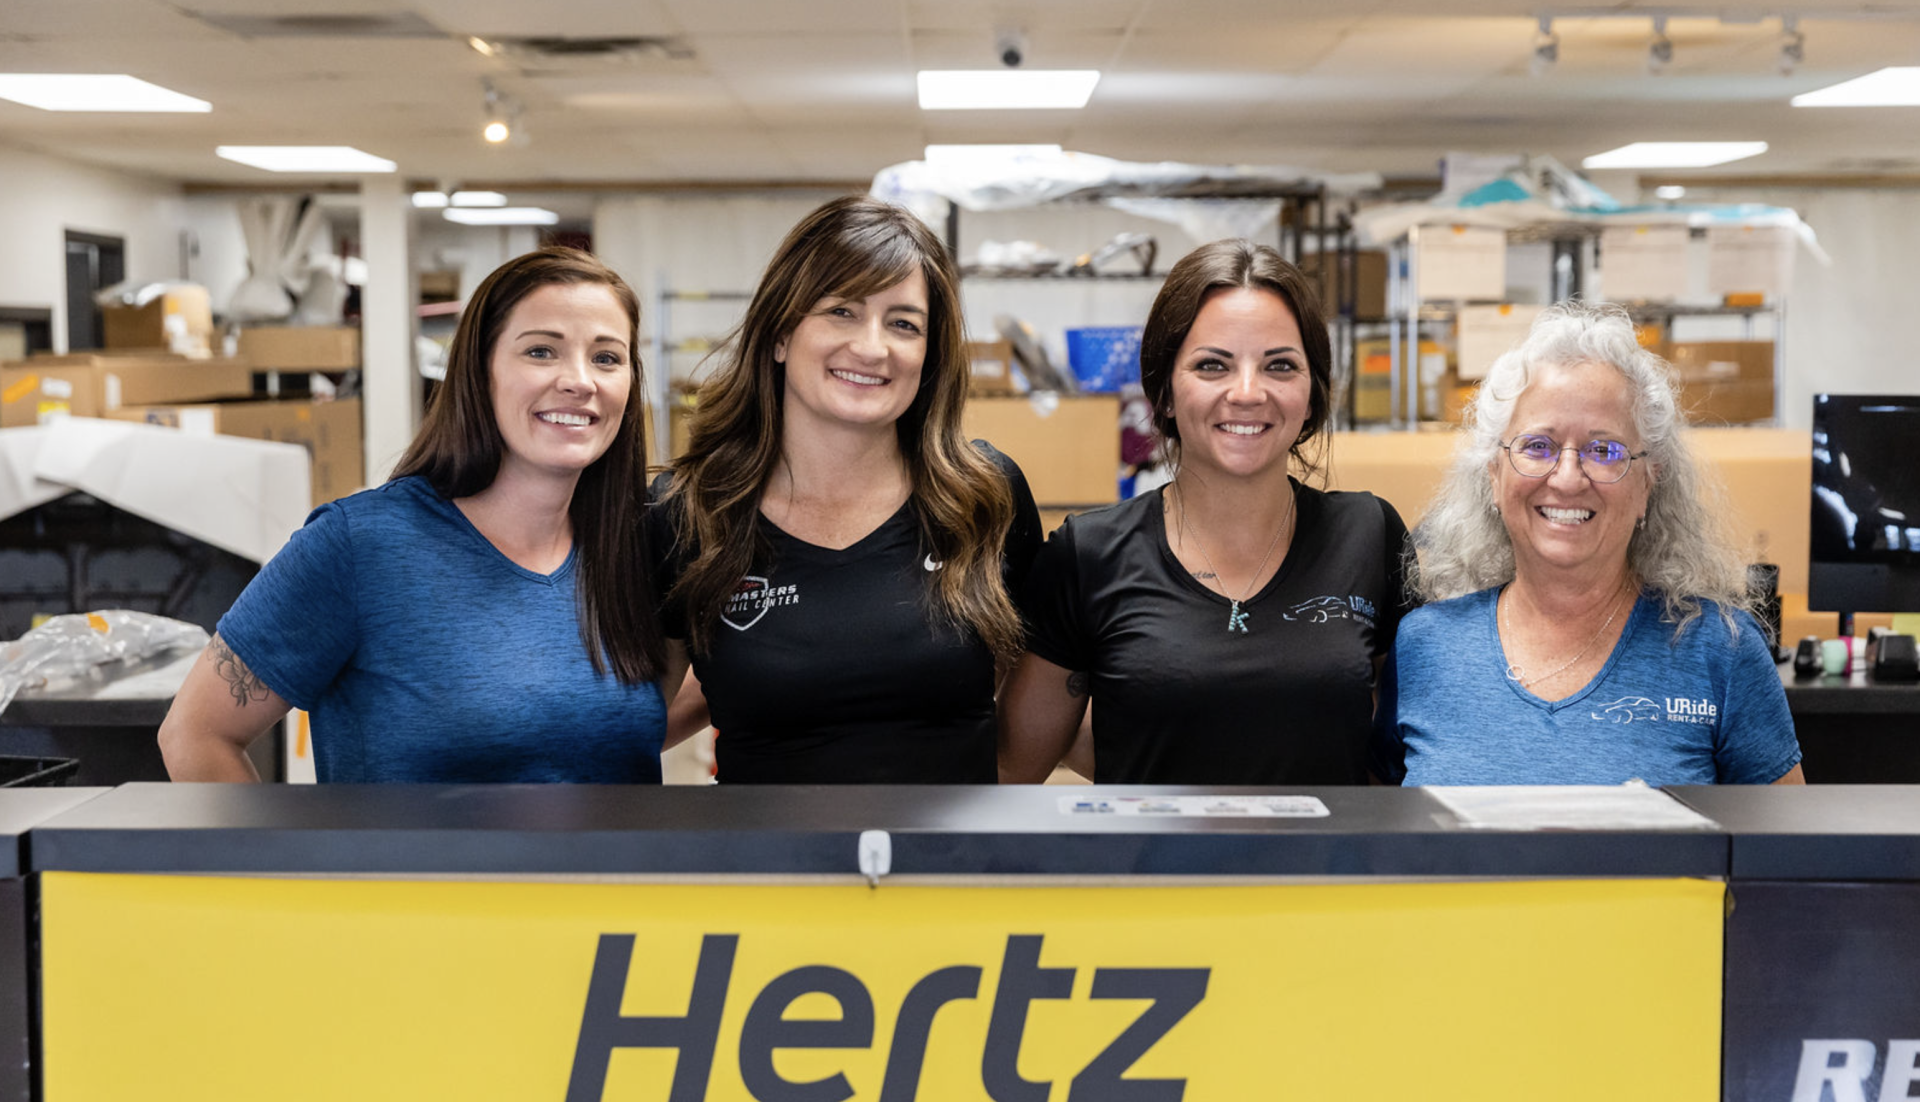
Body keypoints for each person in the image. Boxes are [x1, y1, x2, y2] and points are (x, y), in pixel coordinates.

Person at [159, 246, 674, 782]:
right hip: (411, 870)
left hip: (610, 869)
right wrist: (282, 866)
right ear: (481, 371)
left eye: (607, 357)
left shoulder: (635, 546)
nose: (580, 380)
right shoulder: (358, 546)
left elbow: (600, 732)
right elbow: (195, 733)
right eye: (541, 352)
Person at [650, 194, 1041, 783]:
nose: (872, 346)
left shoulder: (983, 495)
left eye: (904, 323)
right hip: (768, 870)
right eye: (841, 311)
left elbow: (1042, 706)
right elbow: (632, 721)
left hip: (953, 867)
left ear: (929, 355)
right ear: (781, 334)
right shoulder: (689, 513)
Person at [998, 240, 1410, 784]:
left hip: (1330, 870)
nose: (1247, 393)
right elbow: (1009, 771)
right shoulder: (1089, 556)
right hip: (1153, 871)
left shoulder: (1369, 534)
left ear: (1312, 394)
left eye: (1280, 366)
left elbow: (1409, 750)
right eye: (1213, 365)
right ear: (1164, 390)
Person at [1373, 301, 1804, 786]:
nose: (1569, 477)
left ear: (1648, 483)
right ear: (1493, 476)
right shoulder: (1424, 646)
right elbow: (1388, 836)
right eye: (1538, 446)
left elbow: (1784, 853)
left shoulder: (1720, 651)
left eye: (1605, 450)